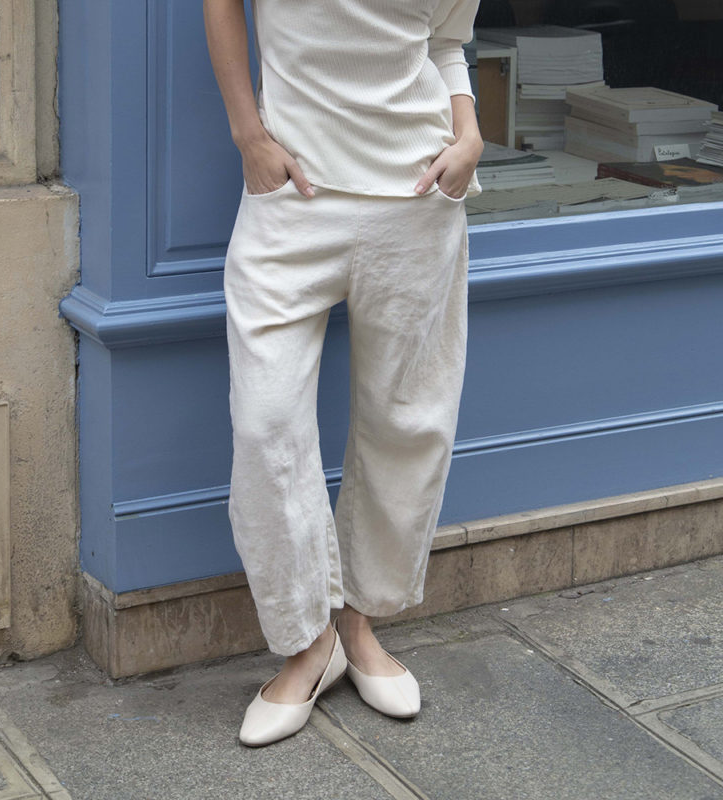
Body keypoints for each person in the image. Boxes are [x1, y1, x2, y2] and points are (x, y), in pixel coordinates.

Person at [203, 0, 483, 747]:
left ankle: (359, 627)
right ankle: (306, 642)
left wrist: (472, 132)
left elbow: (446, 42)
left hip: (419, 197)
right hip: (292, 199)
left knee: (407, 421)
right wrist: (247, 134)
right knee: (264, 423)